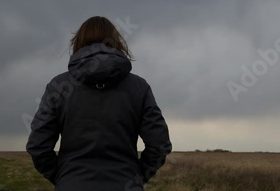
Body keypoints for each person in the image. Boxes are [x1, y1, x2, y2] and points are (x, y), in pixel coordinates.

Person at [26, 16, 172, 191]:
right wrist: (136, 177)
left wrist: (64, 178)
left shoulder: (58, 87)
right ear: (117, 42)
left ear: (78, 42)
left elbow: (38, 146)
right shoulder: (139, 87)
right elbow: (159, 145)